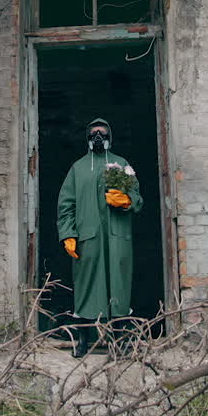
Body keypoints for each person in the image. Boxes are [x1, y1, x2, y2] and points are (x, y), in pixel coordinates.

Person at [56, 118, 143, 357]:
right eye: (93, 132)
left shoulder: (121, 164)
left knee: (119, 287)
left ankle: (121, 342)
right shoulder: (78, 168)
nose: (98, 136)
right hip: (88, 239)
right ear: (87, 137)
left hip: (117, 238)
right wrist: (68, 234)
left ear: (109, 137)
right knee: (86, 289)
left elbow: (137, 196)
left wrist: (127, 200)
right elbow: (66, 205)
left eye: (102, 132)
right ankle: (83, 341)